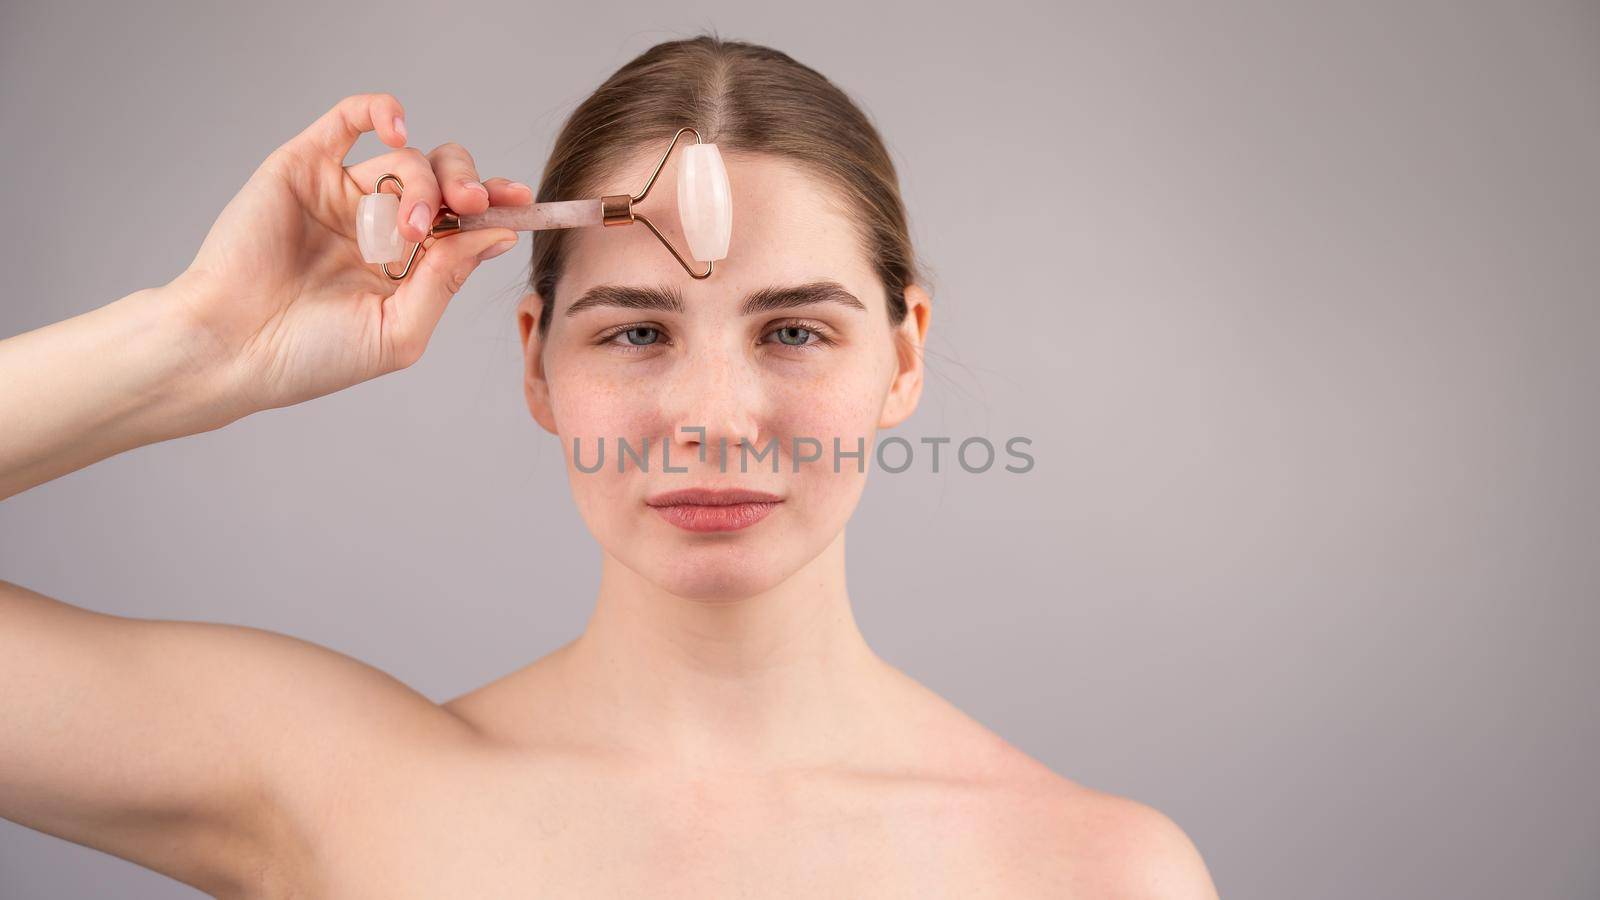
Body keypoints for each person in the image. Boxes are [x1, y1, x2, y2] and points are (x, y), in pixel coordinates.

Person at [0, 34, 1219, 898]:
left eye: (793, 331)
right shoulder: (347, 791)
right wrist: (196, 340)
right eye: (636, 332)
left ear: (902, 360)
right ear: (539, 364)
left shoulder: (1096, 875)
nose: (712, 417)